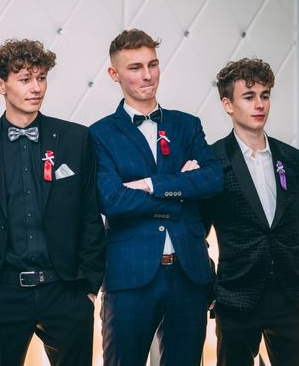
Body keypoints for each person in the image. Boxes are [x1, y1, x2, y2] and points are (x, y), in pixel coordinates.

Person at [0, 39, 105, 366]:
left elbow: (89, 214)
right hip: (2, 293)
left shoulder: (76, 139)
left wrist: (88, 288)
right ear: (1, 85)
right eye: (25, 79)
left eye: (41, 78)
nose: (36, 87)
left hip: (66, 290)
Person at [89, 29, 223, 365]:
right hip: (129, 275)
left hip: (189, 273)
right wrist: (182, 188)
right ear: (114, 74)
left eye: (152, 64)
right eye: (135, 68)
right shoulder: (99, 134)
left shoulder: (187, 125)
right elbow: (113, 200)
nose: (148, 75)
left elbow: (213, 179)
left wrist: (151, 184)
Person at [200, 58, 299, 365]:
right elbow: (196, 234)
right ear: (228, 104)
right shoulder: (213, 161)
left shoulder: (292, 158)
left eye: (265, 95)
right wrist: (212, 289)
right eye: (249, 96)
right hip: (237, 297)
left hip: (292, 296)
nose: (260, 104)